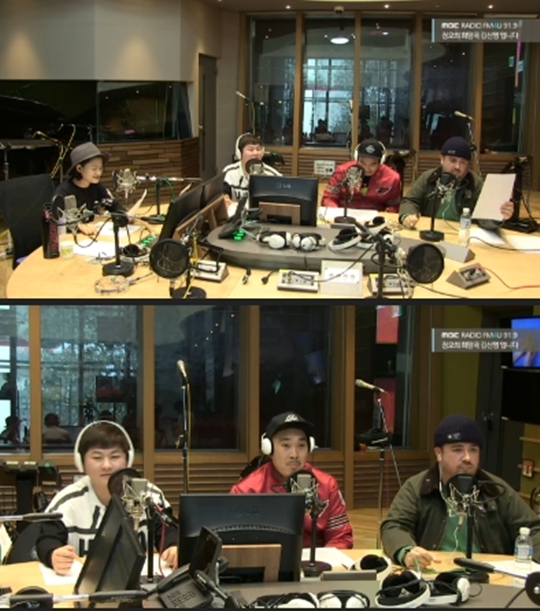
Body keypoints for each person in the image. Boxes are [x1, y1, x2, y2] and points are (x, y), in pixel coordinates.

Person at [380, 414, 540, 569]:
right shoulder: (417, 488)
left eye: (473, 450)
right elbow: (394, 526)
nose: (467, 458)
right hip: (434, 572)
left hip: (488, 575)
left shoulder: (495, 489)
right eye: (457, 450)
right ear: (439, 453)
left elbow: (534, 529)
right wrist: (406, 551)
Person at [36, 421, 178, 575]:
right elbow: (46, 539)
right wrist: (53, 555)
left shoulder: (149, 495)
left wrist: (173, 547)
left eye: (115, 457)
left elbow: (168, 531)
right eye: (97, 458)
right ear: (81, 463)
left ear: (128, 460)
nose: (107, 465)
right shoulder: (67, 501)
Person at [230, 412, 354, 549]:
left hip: (315, 559)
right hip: (267, 560)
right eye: (286, 445)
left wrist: (321, 558)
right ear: (268, 448)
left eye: (301, 445)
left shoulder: (327, 485)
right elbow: (236, 543)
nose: (294, 455)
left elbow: (341, 537)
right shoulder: (246, 490)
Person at [399, 136, 514, 229]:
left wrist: (497, 216)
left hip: (461, 234)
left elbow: (484, 217)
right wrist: (407, 216)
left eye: (463, 162)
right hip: (431, 230)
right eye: (452, 160)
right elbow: (410, 201)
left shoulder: (476, 183)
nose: (457, 167)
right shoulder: (429, 177)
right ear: (442, 159)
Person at [54, 142, 125, 236]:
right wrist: (78, 226)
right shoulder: (63, 191)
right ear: (79, 168)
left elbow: (112, 204)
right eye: (94, 169)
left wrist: (124, 215)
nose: (99, 173)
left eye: (100, 168)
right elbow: (55, 221)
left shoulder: (96, 187)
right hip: (71, 239)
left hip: (92, 235)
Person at [321, 139, 401, 212]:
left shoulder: (393, 178)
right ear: (357, 159)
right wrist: (335, 213)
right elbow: (329, 198)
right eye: (363, 163)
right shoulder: (342, 171)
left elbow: (394, 205)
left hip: (375, 218)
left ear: (381, 162)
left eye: (373, 164)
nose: (367, 168)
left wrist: (384, 216)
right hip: (344, 215)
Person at [222, 134, 281, 214]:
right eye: (250, 149)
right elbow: (224, 200)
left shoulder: (272, 175)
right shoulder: (229, 173)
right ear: (239, 153)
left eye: (258, 149)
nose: (255, 153)